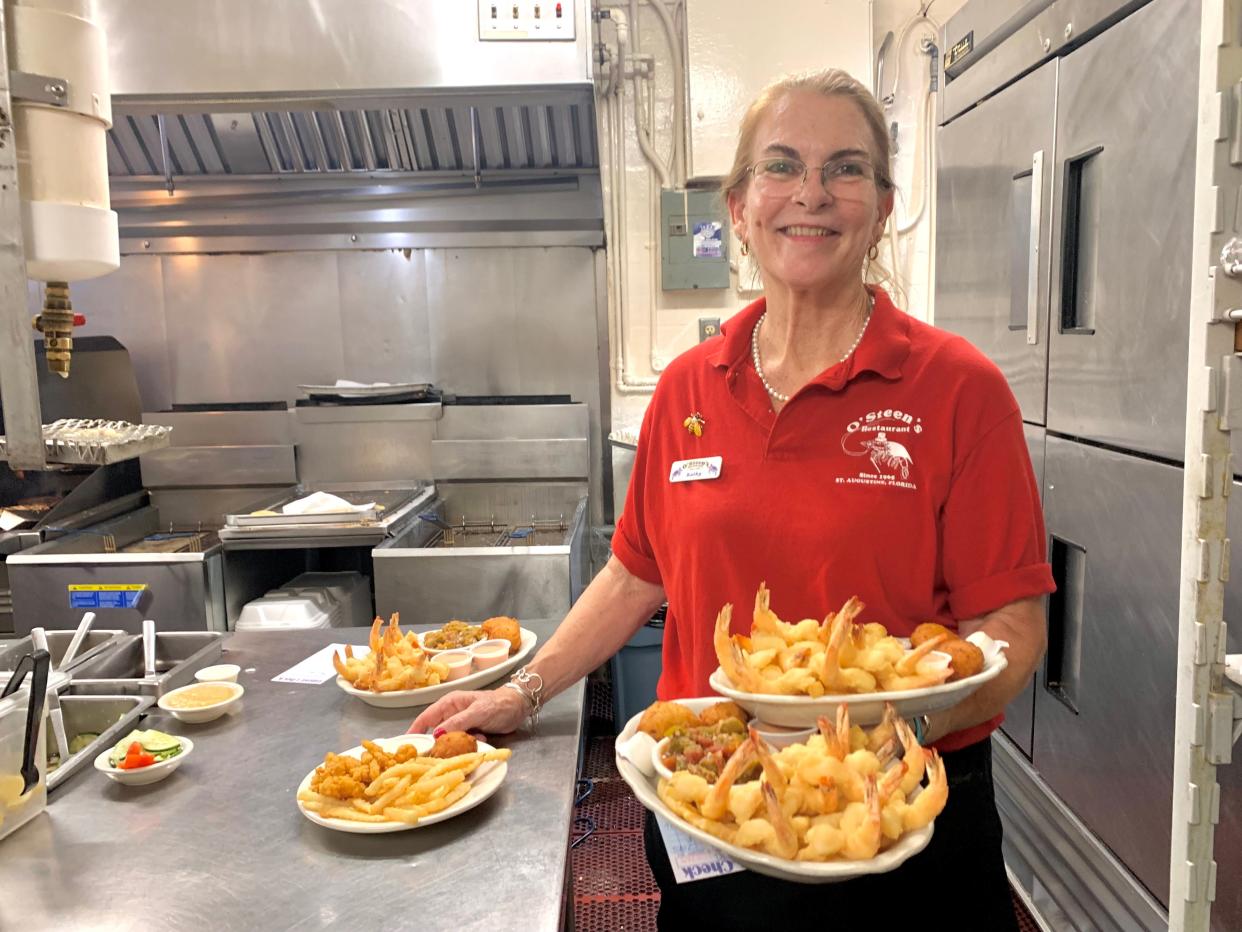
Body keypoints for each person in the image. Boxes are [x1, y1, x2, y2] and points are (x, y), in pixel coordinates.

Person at [412, 68, 1054, 930]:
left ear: (885, 205)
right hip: (714, 799)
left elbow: (1011, 632)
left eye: (847, 169)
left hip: (898, 811)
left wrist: (874, 743)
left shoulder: (957, 389)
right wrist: (523, 693)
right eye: (782, 166)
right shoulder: (686, 390)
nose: (812, 194)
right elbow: (635, 574)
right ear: (740, 206)